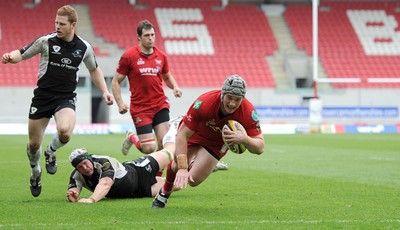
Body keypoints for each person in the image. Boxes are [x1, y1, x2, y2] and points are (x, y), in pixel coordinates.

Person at [1, 5, 114, 197]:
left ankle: (51, 151)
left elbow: (94, 69)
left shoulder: (84, 47)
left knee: (65, 132)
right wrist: (10, 57)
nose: (57, 27)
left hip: (65, 98)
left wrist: (105, 91)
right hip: (43, 97)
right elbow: (23, 52)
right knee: (33, 145)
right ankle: (35, 171)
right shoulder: (45, 41)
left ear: (73, 25)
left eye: (62, 24)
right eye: (56, 23)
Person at [152, 75, 265, 208]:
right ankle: (164, 193)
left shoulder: (248, 112)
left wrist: (245, 139)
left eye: (237, 99)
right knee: (177, 164)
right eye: (229, 97)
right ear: (222, 94)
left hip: (216, 144)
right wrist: (183, 168)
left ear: (243, 98)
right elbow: (182, 135)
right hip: (196, 134)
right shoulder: (204, 102)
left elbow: (260, 147)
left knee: (193, 181)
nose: (232, 103)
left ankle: (194, 163)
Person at [111, 19, 182, 156]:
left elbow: (166, 76)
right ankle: (132, 136)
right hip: (140, 108)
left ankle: (156, 177)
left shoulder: (161, 56)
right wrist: (120, 103)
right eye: (147, 35)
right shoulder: (129, 56)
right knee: (149, 148)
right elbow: (115, 81)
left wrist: (175, 87)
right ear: (139, 37)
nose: (151, 38)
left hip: (159, 104)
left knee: (164, 144)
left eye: (152, 35)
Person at [66, 125, 177, 203]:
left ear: (89, 159)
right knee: (179, 184)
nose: (84, 168)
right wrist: (73, 195)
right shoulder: (76, 175)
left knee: (171, 151)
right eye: (80, 167)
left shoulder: (103, 162)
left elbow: (105, 184)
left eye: (85, 163)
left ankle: (174, 128)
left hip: (139, 170)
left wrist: (91, 199)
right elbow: (74, 190)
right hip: (139, 191)